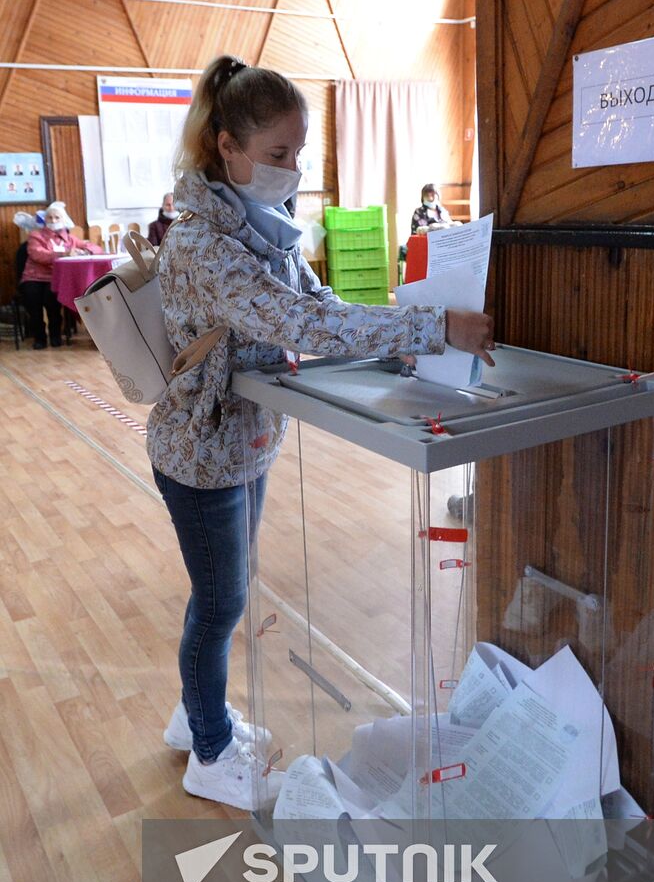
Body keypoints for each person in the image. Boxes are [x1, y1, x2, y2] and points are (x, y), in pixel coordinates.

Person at [149, 54, 495, 811]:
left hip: (247, 441)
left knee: (221, 594)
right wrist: (434, 328)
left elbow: (322, 301)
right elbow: (299, 322)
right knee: (219, 604)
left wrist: (398, 341)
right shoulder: (203, 244)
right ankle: (208, 751)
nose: (291, 168)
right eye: (277, 154)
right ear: (227, 148)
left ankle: (192, 714)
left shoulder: (259, 226)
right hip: (200, 453)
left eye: (297, 152)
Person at [20, 201, 102, 349]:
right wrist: (63, 253)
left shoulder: (69, 238)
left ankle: (55, 335)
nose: (53, 221)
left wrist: (86, 250)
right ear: (45, 220)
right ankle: (39, 337)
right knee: (33, 300)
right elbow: (38, 255)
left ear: (63, 220)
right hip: (34, 277)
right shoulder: (36, 235)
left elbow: (94, 247)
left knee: (53, 302)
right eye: (50, 218)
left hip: (55, 278)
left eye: (57, 217)